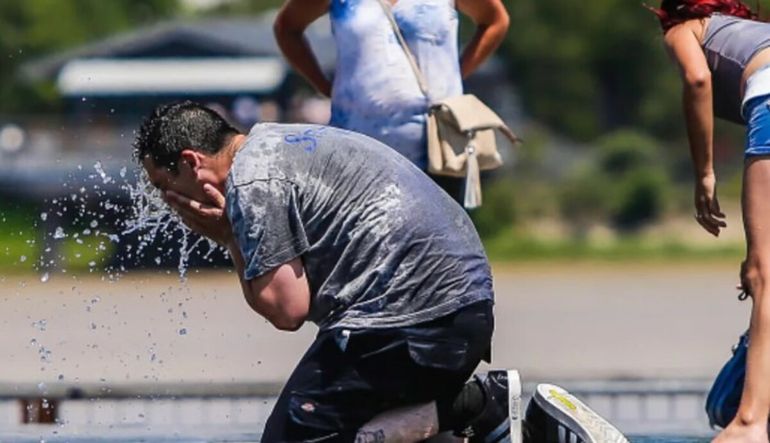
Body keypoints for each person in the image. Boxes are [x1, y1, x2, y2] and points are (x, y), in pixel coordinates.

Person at [133, 101, 627, 443]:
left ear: (191, 163)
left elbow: (286, 308)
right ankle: (486, 418)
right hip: (461, 311)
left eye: (164, 186)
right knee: (386, 425)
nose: (169, 204)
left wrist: (226, 237)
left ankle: (482, 403)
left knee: (296, 436)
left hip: (411, 323)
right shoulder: (276, 142)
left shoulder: (251, 182)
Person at [649, 1, 770, 441]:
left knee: (764, 275)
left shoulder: (686, 29)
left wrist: (704, 173)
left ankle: (750, 422)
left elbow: (696, 79)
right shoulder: (750, 35)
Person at [273, 0, 510, 202]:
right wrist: (323, 86)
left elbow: (495, 20)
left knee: (437, 246)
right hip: (357, 149)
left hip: (438, 149)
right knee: (363, 246)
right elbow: (287, 28)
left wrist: (456, 75)